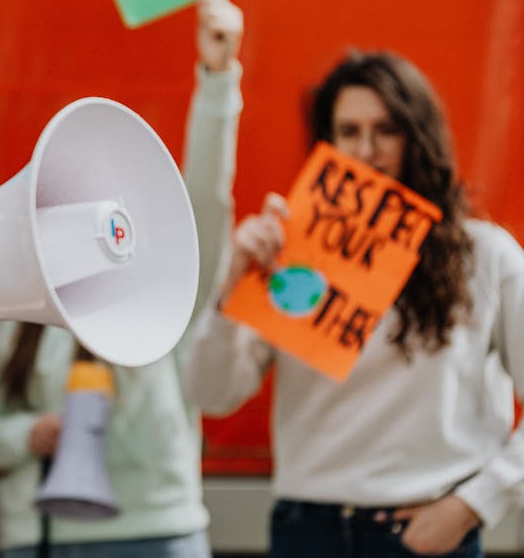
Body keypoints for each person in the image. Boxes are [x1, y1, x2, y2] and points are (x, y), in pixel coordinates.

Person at [184, 50, 524, 557]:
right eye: (348, 131)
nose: (367, 150)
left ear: (419, 137)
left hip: (425, 531)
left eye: (387, 130)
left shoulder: (485, 256)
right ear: (328, 141)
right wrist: (233, 289)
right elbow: (210, 394)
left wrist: (473, 505)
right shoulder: (291, 254)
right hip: (308, 530)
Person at [0, 0, 245, 557]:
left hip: (157, 529)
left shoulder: (157, 289)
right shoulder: (11, 303)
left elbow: (205, 206)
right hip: (43, 537)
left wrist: (219, 81)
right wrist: (28, 435)